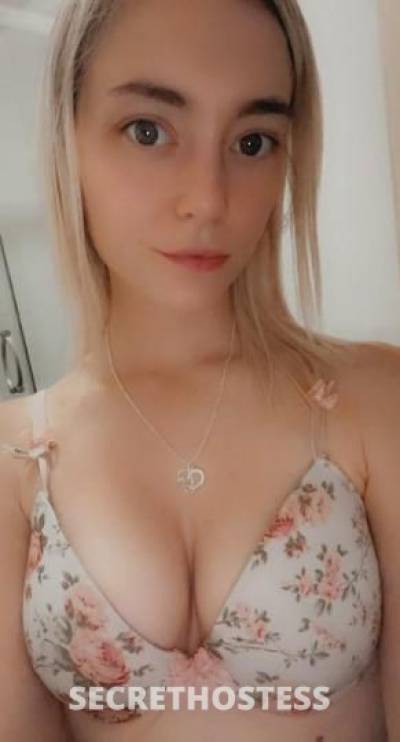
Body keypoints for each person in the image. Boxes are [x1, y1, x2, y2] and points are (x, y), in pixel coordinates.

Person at [0, 0, 399, 740]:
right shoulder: (17, 456)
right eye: (148, 131)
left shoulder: (374, 400)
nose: (209, 200)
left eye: (252, 141)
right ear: (68, 136)